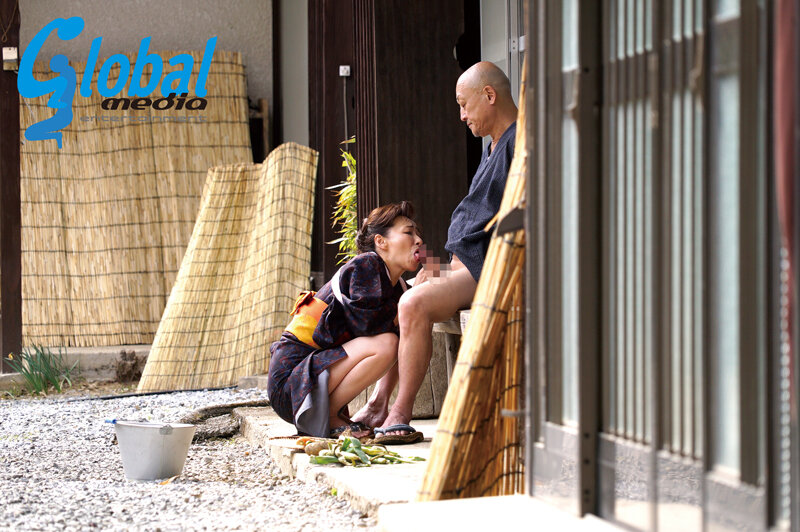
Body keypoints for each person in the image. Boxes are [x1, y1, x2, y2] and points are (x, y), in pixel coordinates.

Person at [352, 61, 519, 443]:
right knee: (402, 295)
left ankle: (400, 411)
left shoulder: (520, 143)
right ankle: (379, 402)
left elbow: (513, 222)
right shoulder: (493, 147)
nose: (462, 116)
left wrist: (454, 269)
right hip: (466, 266)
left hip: (491, 268)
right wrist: (440, 268)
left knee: (413, 304)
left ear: (489, 95)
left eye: (464, 104)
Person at [267, 202, 423, 438]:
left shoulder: (396, 285)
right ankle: (330, 416)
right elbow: (370, 327)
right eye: (409, 233)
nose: (419, 240)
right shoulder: (366, 265)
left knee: (400, 336)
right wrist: (418, 291)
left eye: (418, 233)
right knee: (387, 343)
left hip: (312, 378)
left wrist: (434, 272)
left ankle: (373, 408)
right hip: (291, 382)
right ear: (381, 242)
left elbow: (439, 285)